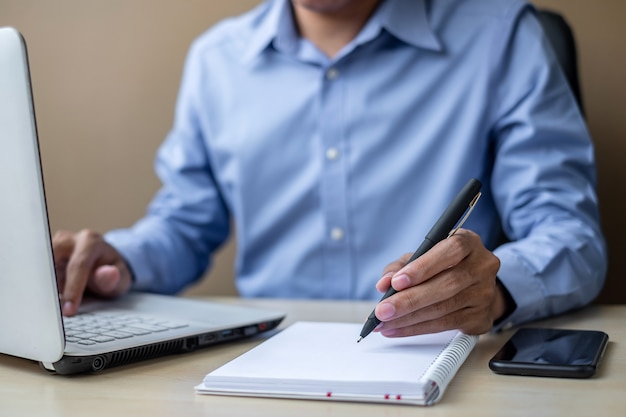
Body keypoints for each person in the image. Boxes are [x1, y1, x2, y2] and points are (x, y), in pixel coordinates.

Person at [52, 0, 606, 337]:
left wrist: (494, 289)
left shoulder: (503, 35)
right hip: (264, 362)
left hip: (443, 357)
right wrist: (119, 260)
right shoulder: (215, 59)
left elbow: (571, 238)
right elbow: (184, 223)